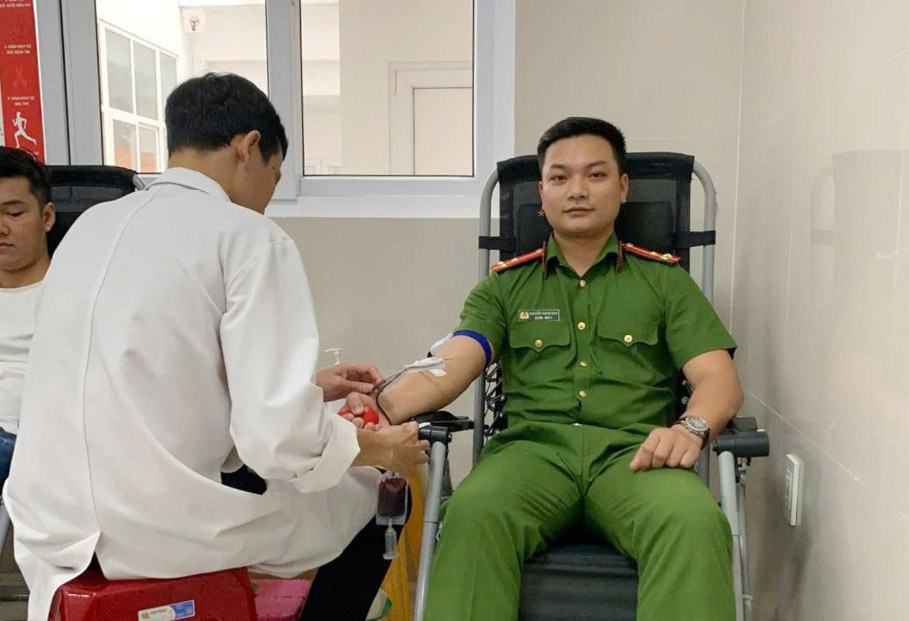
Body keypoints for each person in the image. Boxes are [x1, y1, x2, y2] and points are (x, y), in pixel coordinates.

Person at [4, 73, 428, 621]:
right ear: (249, 147)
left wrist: (308, 391)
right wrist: (380, 451)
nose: (268, 198)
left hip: (46, 519)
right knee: (375, 502)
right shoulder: (248, 237)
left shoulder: (90, 228)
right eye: (274, 177)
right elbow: (277, 443)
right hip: (152, 531)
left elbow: (158, 373)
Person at [345, 117, 744, 620]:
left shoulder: (666, 283)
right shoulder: (505, 288)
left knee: (694, 521)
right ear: (542, 192)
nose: (576, 190)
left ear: (622, 188)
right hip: (531, 456)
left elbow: (718, 378)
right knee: (472, 513)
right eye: (559, 177)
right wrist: (382, 402)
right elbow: (456, 360)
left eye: (595, 176)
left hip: (637, 456)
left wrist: (690, 428)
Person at [0, 147, 54, 491]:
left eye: (15, 213)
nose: (1, 228)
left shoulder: (76, 292)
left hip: (28, 441)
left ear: (46, 217)